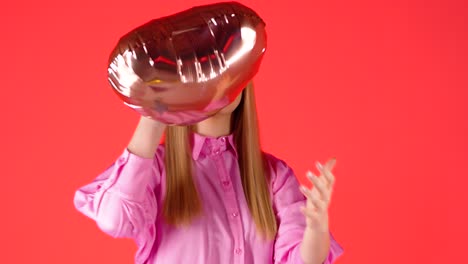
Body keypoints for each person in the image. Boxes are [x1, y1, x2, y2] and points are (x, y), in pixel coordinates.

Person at [74, 82, 344, 264]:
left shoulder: (274, 175)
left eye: (230, 70)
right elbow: (114, 219)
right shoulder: (155, 168)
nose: (219, 82)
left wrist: (316, 229)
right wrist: (154, 116)